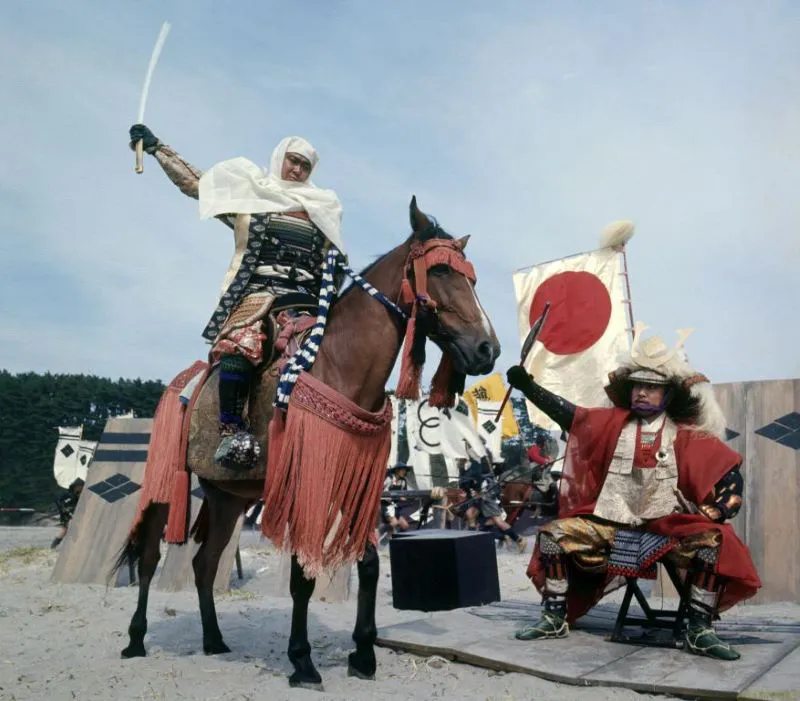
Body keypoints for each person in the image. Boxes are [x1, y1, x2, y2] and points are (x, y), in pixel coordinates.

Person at [506, 324, 761, 660]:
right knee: (554, 534)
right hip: (611, 524)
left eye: (652, 387)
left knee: (712, 541)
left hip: (666, 527)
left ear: (668, 395)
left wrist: (714, 512)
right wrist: (530, 388)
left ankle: (700, 629)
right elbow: (572, 416)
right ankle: (554, 617)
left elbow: (730, 479)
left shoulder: (686, 436)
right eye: (638, 385)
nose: (642, 392)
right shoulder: (610, 425)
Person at [128, 124, 344, 471]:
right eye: (293, 161)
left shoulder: (323, 210)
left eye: (305, 165)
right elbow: (198, 185)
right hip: (257, 297)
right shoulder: (253, 198)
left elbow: (335, 266)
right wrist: (157, 150)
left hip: (305, 304)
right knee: (240, 346)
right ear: (280, 159)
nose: (298, 170)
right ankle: (232, 431)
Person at [458, 452, 527, 553]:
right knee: (471, 515)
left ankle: (519, 540)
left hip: (487, 495)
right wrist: (462, 470)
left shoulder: (480, 458)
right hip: (479, 496)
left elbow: (476, 476)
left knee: (498, 522)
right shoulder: (475, 460)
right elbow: (467, 481)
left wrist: (462, 471)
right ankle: (473, 543)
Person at [52, 478, 84, 549]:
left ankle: (54, 546)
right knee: (66, 530)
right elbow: (61, 504)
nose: (80, 488)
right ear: (75, 487)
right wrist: (65, 510)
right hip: (66, 514)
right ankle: (54, 546)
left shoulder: (80, 495)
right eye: (79, 486)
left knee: (65, 530)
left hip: (74, 514)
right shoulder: (69, 495)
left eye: (81, 486)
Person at [380, 464, 412, 536]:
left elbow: (404, 494)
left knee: (405, 526)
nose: (404, 472)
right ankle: (379, 532)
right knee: (394, 523)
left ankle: (399, 542)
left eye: (405, 470)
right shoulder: (389, 479)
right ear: (397, 470)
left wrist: (404, 498)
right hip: (386, 506)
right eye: (402, 470)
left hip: (395, 507)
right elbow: (382, 492)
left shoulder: (403, 481)